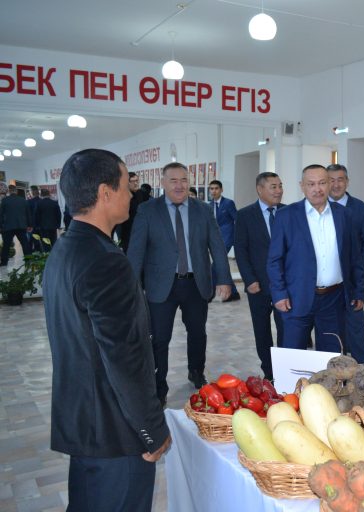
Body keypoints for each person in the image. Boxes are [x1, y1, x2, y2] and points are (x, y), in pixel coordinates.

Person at [43, 149, 170, 512]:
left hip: (86, 423)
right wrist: (151, 430)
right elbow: (124, 358)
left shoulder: (67, 248)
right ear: (105, 192)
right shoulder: (105, 261)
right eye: (126, 184)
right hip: (116, 432)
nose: (131, 193)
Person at [128, 162, 232, 406]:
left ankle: (196, 372)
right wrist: (131, 287)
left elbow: (217, 246)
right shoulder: (147, 210)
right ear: (163, 183)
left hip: (196, 284)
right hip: (160, 286)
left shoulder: (202, 210)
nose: (179, 185)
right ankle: (159, 385)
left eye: (184, 180)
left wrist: (224, 279)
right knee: (159, 338)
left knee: (198, 333)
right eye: (173, 180)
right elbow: (136, 251)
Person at [267, 165, 364, 353]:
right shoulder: (286, 216)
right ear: (302, 186)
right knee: (292, 355)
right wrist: (279, 294)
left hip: (334, 300)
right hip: (296, 298)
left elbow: (354, 258)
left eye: (322, 183)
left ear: (329, 184)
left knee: (332, 358)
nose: (317, 189)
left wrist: (358, 291)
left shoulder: (344, 215)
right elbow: (274, 260)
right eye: (311, 184)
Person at [234, 172, 285, 380]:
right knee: (262, 331)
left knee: (286, 329)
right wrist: (249, 280)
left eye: (280, 186)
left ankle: (285, 369)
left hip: (285, 285)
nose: (279, 191)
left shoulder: (288, 212)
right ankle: (269, 372)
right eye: (273, 187)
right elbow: (241, 250)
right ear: (260, 189)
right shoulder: (245, 215)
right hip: (258, 285)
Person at [327, 163, 364, 364]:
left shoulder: (361, 209)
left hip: (353, 283)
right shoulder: (317, 208)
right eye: (331, 180)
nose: (336, 185)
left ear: (347, 182)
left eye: (340, 180)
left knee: (356, 333)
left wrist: (360, 289)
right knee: (330, 335)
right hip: (326, 287)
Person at [208, 180, 240, 302]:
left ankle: (209, 293)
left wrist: (238, 237)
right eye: (211, 189)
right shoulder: (209, 205)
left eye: (216, 188)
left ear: (221, 190)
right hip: (215, 240)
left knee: (216, 264)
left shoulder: (228, 203)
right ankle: (234, 293)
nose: (214, 191)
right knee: (221, 264)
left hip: (227, 237)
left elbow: (237, 219)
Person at [117, 171, 149, 253]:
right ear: (127, 183)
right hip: (127, 233)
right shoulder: (121, 196)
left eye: (137, 181)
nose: (136, 183)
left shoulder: (140, 194)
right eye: (133, 181)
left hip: (140, 232)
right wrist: (120, 240)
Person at [0, 184, 32, 266]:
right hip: (21, 225)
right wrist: (29, 225)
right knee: (25, 243)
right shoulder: (23, 200)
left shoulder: (5, 200)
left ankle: (4, 262)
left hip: (8, 226)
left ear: (9, 191)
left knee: (6, 245)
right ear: (16, 191)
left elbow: (1, 214)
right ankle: (28, 260)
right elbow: (28, 213)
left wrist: (1, 226)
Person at [27, 185, 42, 251]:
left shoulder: (28, 202)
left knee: (31, 242)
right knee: (42, 242)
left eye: (29, 191)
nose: (29, 192)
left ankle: (31, 254)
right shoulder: (42, 201)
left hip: (32, 225)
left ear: (32, 191)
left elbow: (27, 215)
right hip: (41, 225)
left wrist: (28, 225)